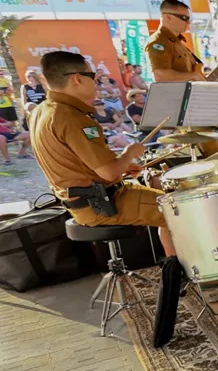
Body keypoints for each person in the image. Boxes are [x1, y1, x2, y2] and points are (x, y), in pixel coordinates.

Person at [28, 51, 175, 257]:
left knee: (168, 200)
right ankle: (177, 278)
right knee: (179, 211)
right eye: (93, 77)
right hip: (103, 204)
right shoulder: (71, 117)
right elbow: (108, 173)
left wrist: (122, 166)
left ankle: (175, 267)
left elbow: (73, 163)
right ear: (77, 79)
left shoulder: (40, 111)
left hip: (84, 201)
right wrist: (128, 154)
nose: (96, 83)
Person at [146, 0, 218, 84]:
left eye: (189, 19)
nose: (188, 22)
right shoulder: (158, 42)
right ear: (168, 17)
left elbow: (191, 78)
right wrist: (193, 76)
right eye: (184, 18)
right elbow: (160, 76)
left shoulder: (179, 43)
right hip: (174, 100)